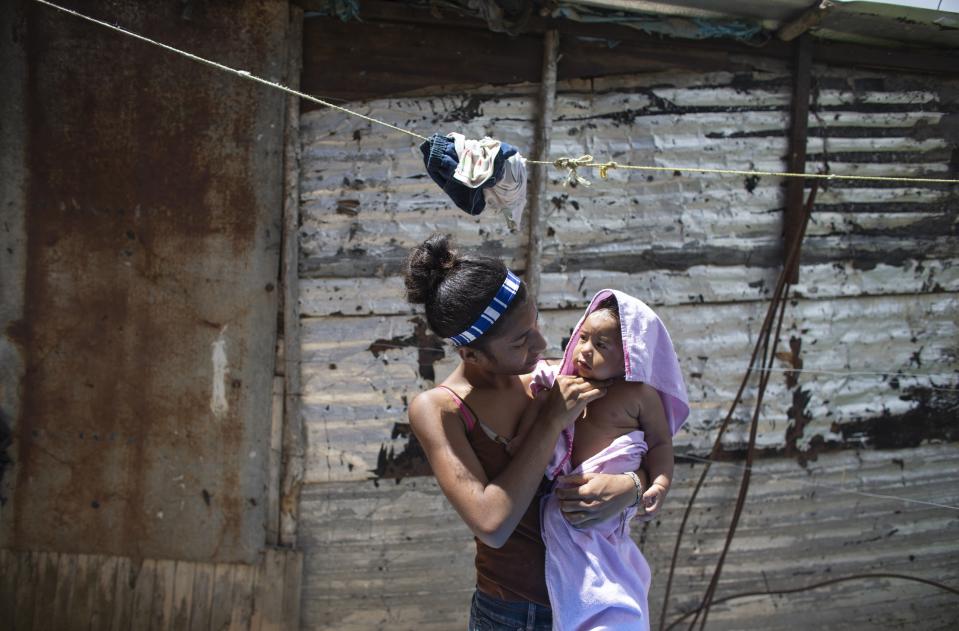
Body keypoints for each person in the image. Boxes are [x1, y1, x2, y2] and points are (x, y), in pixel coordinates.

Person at [404, 235, 656, 631]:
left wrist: (632, 486)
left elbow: (644, 443)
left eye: (534, 322)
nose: (541, 343)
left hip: (596, 601)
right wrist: (550, 421)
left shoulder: (556, 378)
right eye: (521, 340)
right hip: (514, 613)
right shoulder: (440, 409)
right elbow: (492, 524)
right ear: (471, 354)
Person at [511, 290, 689, 631]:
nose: (584, 350)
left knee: (613, 581)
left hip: (609, 516)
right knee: (573, 575)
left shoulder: (639, 396)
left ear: (631, 355)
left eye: (602, 345)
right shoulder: (565, 384)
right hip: (564, 504)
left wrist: (660, 482)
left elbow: (660, 445)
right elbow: (537, 419)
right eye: (583, 338)